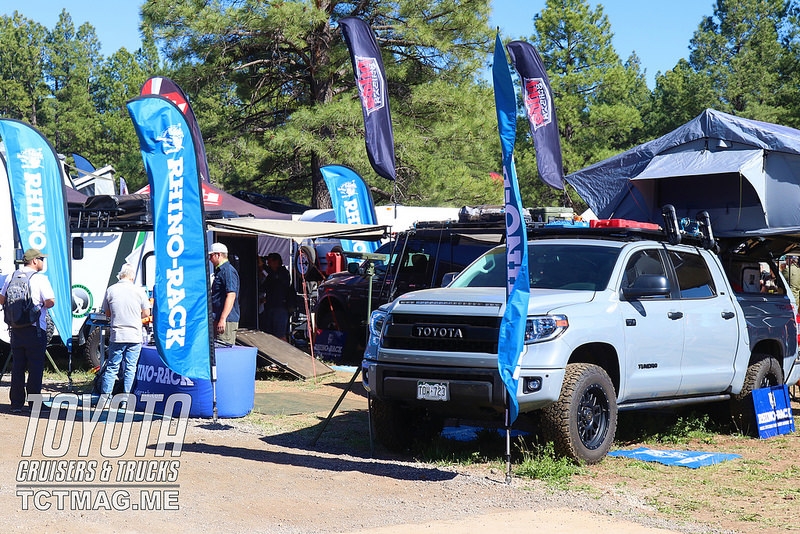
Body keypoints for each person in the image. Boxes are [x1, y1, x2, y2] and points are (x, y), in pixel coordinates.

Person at [0, 249, 55, 413]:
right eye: (41, 259)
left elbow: (2, 298)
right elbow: (50, 301)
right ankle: (34, 404)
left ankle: (16, 404)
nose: (43, 262)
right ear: (34, 261)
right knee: (35, 368)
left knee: (18, 367)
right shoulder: (40, 279)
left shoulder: (12, 276)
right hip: (35, 330)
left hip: (15, 329)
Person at [99, 264, 151, 401]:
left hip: (117, 334)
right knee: (130, 368)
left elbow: (108, 312)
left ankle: (105, 399)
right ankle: (125, 400)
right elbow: (147, 313)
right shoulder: (139, 291)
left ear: (120, 275)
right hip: (134, 334)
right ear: (132, 277)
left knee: (112, 367)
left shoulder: (111, 290)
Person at [209, 242, 240, 345]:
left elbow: (231, 295)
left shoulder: (228, 271)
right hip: (217, 318)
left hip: (226, 320)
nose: (210, 259)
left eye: (211, 255)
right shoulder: (220, 271)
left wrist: (223, 319)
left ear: (218, 254)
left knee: (223, 348)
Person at [262, 252, 293, 341]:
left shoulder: (283, 273)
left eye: (270, 262)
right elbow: (264, 287)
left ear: (276, 262)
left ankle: (284, 353)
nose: (268, 264)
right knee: (269, 335)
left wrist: (263, 267)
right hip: (269, 307)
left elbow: (274, 277)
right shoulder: (270, 275)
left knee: (280, 335)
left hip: (280, 308)